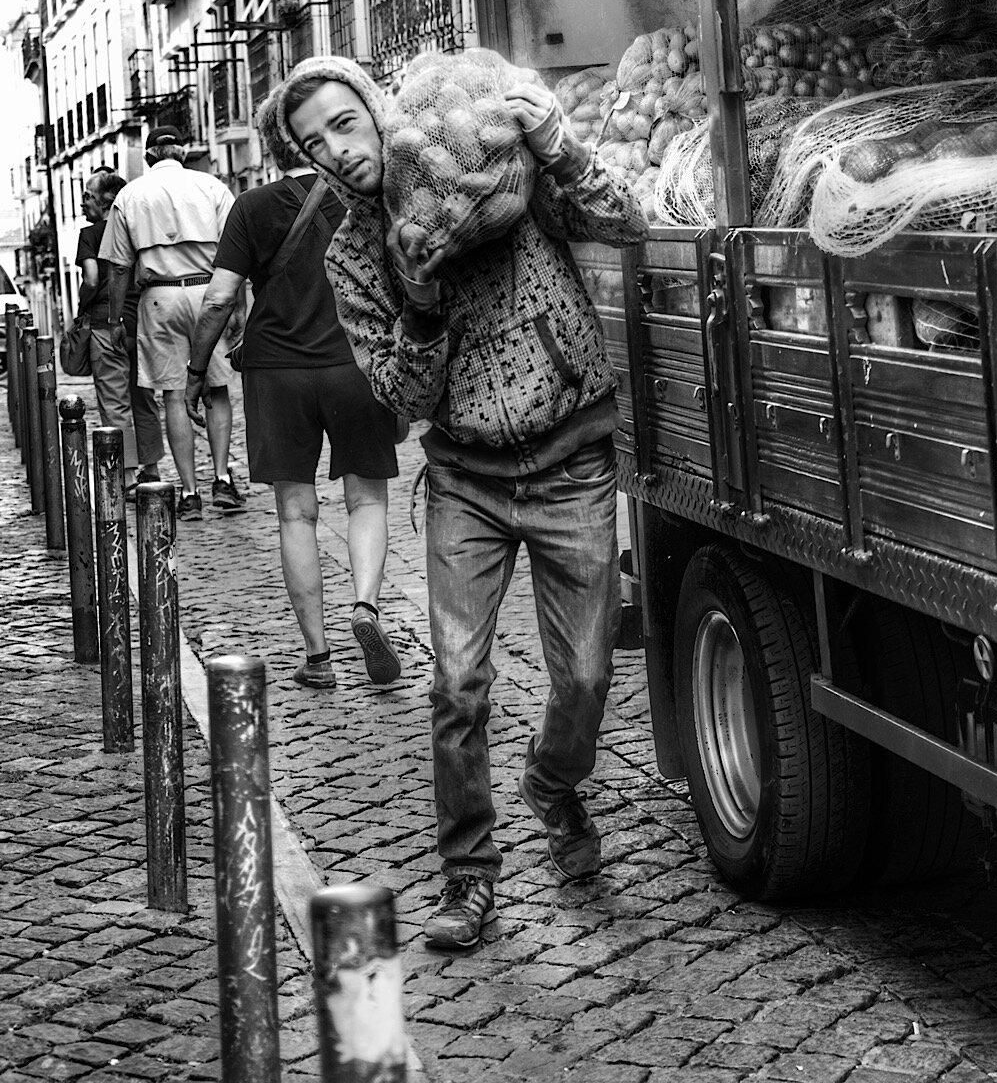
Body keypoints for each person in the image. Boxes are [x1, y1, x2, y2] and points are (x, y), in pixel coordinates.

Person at [274, 54, 647, 951]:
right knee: (457, 685)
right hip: (466, 482)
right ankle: (469, 877)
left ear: (376, 108)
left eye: (343, 121)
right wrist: (424, 305)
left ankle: (553, 786)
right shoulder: (353, 254)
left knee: (587, 678)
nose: (337, 148)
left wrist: (558, 144)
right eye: (313, 141)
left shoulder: (491, 168)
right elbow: (401, 397)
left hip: (570, 463)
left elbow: (625, 224)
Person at [182, 95, 401, 689]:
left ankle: (319, 657)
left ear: (271, 149)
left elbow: (220, 299)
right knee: (367, 500)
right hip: (356, 363)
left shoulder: (252, 206)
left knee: (295, 514)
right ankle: (365, 606)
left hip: (277, 372)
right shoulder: (367, 197)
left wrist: (196, 372)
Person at [99, 124, 245, 522]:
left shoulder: (129, 195)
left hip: (158, 297)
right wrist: (239, 308)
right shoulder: (212, 187)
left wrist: (115, 318)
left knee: (173, 395)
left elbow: (117, 267)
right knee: (216, 389)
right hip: (208, 293)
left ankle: (189, 493)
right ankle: (221, 480)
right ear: (183, 153)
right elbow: (238, 251)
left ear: (149, 157)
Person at [74, 170, 164, 494]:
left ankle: (125, 477)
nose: (83, 202)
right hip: (141, 320)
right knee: (144, 398)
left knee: (114, 401)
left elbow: (93, 278)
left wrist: (82, 307)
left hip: (105, 323)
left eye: (87, 196)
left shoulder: (91, 234)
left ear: (104, 201)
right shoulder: (138, 227)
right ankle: (151, 470)